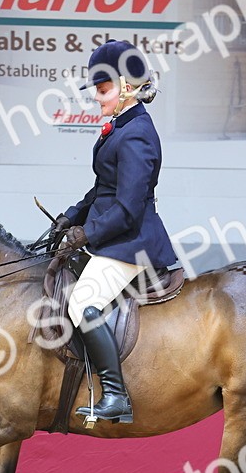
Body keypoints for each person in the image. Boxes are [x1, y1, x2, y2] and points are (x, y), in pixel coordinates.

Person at [51, 40, 178, 425]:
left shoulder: (137, 132)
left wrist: (85, 234)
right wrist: (71, 217)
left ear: (126, 87)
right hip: (110, 234)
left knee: (82, 304)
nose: (97, 98)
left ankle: (117, 396)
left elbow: (128, 207)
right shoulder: (119, 127)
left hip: (131, 241)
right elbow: (103, 190)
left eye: (103, 89)